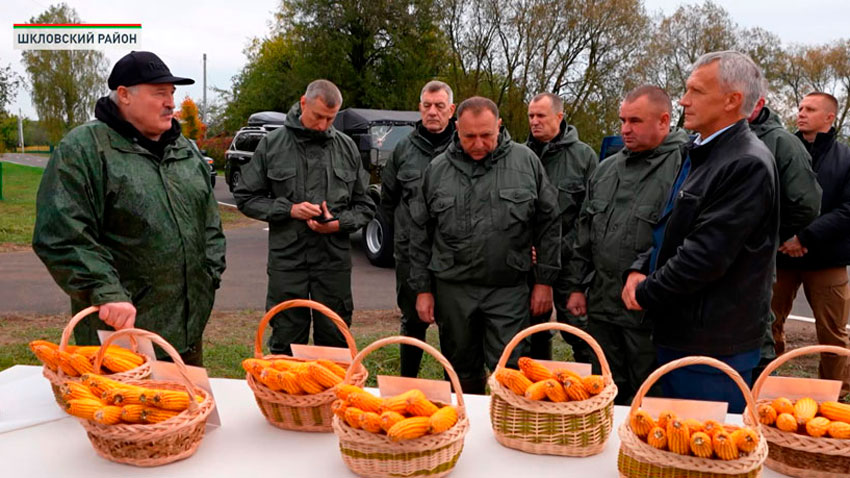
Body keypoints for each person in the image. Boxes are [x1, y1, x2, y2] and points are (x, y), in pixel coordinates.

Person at [32, 51, 225, 366]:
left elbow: (210, 223)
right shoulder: (84, 149)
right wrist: (105, 291)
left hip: (186, 330)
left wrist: (209, 274)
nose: (170, 103)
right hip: (120, 335)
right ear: (124, 95)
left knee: (185, 411)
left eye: (172, 94)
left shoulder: (185, 150)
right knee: (127, 413)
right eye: (159, 93)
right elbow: (61, 234)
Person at [621, 51, 779, 413]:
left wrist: (646, 291)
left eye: (695, 91)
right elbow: (672, 226)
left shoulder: (745, 163)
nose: (682, 100)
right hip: (683, 329)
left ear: (731, 100)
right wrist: (640, 266)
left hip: (713, 342)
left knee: (707, 450)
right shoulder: (704, 153)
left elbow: (705, 256)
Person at [408, 96, 561, 394]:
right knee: (459, 370)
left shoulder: (526, 162)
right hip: (454, 290)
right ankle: (469, 430)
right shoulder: (437, 170)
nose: (478, 144)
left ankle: (510, 430)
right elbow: (418, 234)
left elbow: (549, 224)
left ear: (499, 126)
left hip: (508, 288)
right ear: (456, 129)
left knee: (513, 372)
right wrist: (423, 290)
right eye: (469, 136)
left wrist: (544, 281)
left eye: (486, 135)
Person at [566, 85, 688, 405]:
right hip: (603, 307)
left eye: (635, 121)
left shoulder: (684, 167)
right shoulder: (607, 169)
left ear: (664, 121)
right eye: (622, 120)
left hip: (649, 312)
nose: (625, 129)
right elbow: (585, 232)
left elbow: (683, 238)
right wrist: (577, 286)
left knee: (650, 397)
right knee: (605, 392)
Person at [234, 80, 375, 355]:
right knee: (286, 342)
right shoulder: (273, 145)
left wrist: (338, 223)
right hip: (288, 263)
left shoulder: (346, 148)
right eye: (318, 116)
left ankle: (332, 398)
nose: (323, 125)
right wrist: (288, 210)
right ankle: (285, 399)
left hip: (332, 263)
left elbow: (365, 205)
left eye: (330, 119)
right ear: (303, 103)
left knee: (335, 345)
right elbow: (246, 198)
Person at [771, 91, 850, 397]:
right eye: (800, 107)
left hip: (827, 258)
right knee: (768, 325)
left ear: (829, 118)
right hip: (781, 256)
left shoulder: (846, 159)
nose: (801, 113)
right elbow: (767, 198)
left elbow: (847, 210)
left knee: (833, 334)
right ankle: (769, 386)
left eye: (810, 109)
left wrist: (805, 238)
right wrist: (785, 239)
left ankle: (835, 395)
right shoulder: (780, 151)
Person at [381, 81, 456, 377]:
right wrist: (403, 236)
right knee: (412, 322)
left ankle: (456, 387)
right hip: (412, 256)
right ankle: (407, 381)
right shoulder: (403, 150)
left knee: (454, 324)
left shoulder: (462, 147)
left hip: (452, 254)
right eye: (427, 106)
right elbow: (388, 201)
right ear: (420, 108)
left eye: (439, 106)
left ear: (451, 110)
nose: (433, 112)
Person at [747, 84, 822, 378]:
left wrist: (774, 235)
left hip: (766, 261)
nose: (802, 114)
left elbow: (806, 203)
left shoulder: (781, 143)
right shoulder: (710, 138)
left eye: (809, 109)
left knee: (758, 338)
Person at [525, 93, 597, 362]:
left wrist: (556, 250)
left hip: (572, 263)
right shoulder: (521, 156)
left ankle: (590, 393)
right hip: (530, 264)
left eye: (541, 116)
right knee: (533, 332)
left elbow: (589, 215)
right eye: (531, 116)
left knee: (580, 331)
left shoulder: (584, 157)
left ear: (559, 117)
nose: (534, 121)